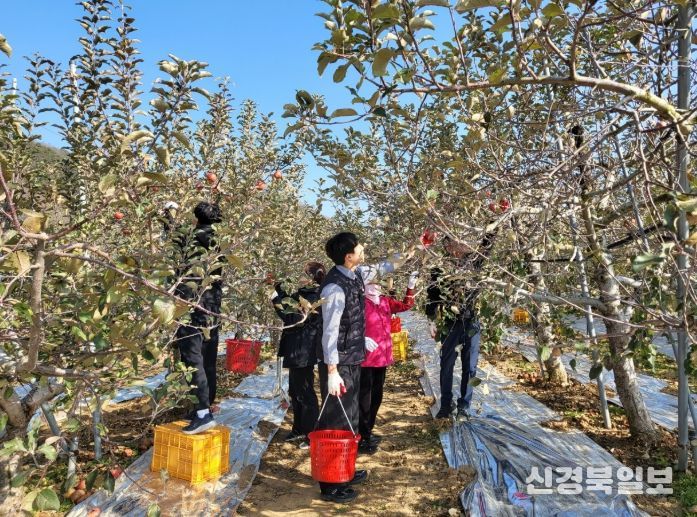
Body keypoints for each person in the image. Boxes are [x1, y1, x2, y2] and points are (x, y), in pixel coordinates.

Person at [426, 231, 495, 421]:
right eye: (452, 244)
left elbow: (487, 246)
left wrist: (495, 222)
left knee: (470, 367)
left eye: (459, 243)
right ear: (447, 247)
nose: (459, 247)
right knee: (446, 365)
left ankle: (464, 405)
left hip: (472, 322)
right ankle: (446, 405)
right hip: (450, 324)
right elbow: (432, 296)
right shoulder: (440, 269)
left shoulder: (474, 262)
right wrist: (431, 321)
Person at [173, 201, 224, 434]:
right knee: (207, 359)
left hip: (192, 305)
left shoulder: (191, 237)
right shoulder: (220, 241)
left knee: (192, 358)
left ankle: (202, 413)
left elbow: (175, 239)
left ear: (196, 218)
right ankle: (205, 407)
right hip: (212, 307)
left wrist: (169, 215)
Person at [358, 269, 418, 454]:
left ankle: (368, 431)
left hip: (382, 358)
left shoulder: (385, 302)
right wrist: (360, 339)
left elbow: (406, 305)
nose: (375, 286)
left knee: (377, 396)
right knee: (364, 399)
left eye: (377, 283)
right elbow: (349, 325)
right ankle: (361, 436)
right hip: (366, 360)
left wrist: (410, 287)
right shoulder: (360, 303)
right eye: (371, 283)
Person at [271, 262, 325, 449]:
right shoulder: (302, 294)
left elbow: (291, 318)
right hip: (297, 348)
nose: (299, 277)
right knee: (296, 391)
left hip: (303, 350)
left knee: (305, 392)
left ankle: (311, 433)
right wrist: (277, 286)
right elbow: (288, 301)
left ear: (311, 278)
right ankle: (299, 429)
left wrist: (274, 298)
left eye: (303, 274)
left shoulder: (312, 297)